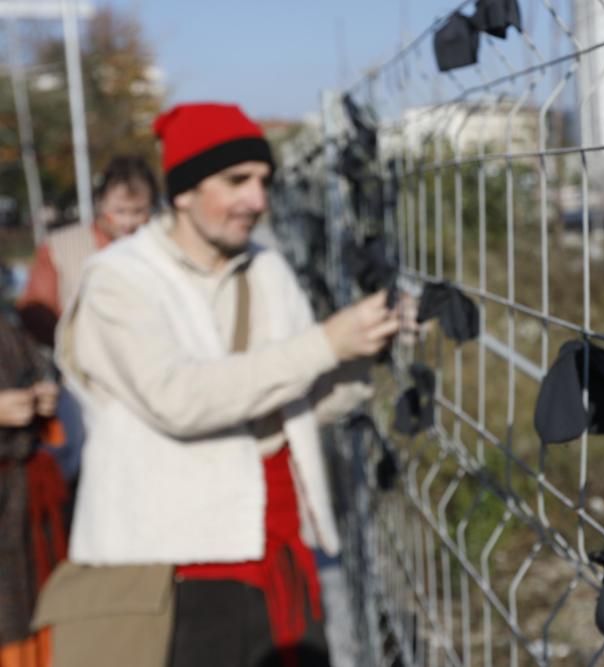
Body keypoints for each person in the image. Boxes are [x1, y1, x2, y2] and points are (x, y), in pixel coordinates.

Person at [48, 102, 399, 667]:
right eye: (236, 182)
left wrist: (368, 353)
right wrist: (326, 344)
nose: (257, 201)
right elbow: (179, 400)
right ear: (183, 191)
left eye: (263, 181)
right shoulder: (118, 281)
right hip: (182, 570)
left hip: (284, 557)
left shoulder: (268, 269)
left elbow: (291, 401)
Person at [17, 155, 159, 348]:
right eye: (120, 211)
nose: (129, 222)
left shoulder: (160, 249)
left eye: (138, 211)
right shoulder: (59, 247)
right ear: (101, 204)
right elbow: (36, 313)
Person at [0, 269, 66, 667]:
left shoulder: (9, 325)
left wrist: (43, 399)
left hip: (22, 501)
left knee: (36, 614)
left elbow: (33, 373)